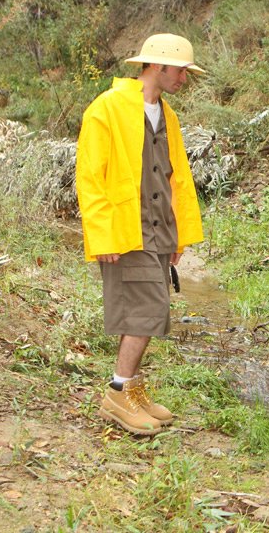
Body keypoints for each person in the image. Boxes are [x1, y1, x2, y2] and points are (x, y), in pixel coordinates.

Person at [75, 33, 204, 435]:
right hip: (124, 231)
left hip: (158, 230)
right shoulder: (107, 109)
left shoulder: (167, 115)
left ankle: (131, 388)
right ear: (158, 66)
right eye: (181, 71)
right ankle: (117, 393)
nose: (185, 79)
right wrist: (103, 236)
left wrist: (178, 235)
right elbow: (89, 177)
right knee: (146, 311)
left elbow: (175, 178)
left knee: (150, 310)